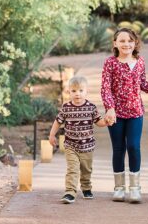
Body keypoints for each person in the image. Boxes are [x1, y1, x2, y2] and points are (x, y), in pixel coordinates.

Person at [101, 27, 148, 203]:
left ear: (135, 43)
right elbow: (105, 88)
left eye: (129, 41)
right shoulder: (110, 63)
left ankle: (135, 188)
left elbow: (142, 84)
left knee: (134, 147)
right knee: (118, 149)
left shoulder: (140, 62)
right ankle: (119, 188)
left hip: (136, 112)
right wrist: (109, 108)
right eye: (122, 41)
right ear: (115, 44)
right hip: (115, 114)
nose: (126, 44)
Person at [49, 76, 108, 204]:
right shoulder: (66, 108)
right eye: (74, 91)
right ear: (69, 92)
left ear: (86, 91)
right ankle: (70, 192)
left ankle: (86, 187)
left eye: (81, 90)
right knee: (72, 169)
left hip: (87, 146)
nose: (77, 94)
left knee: (86, 169)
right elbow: (57, 122)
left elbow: (99, 122)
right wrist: (52, 135)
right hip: (71, 145)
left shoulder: (91, 107)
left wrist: (107, 121)